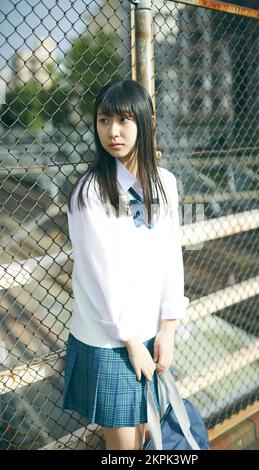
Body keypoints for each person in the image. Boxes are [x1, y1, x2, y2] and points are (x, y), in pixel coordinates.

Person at [63, 79, 189, 450]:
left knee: (148, 438)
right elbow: (99, 275)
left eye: (123, 119)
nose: (112, 131)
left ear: (146, 121)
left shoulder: (165, 183)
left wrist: (168, 328)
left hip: (150, 331)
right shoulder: (92, 192)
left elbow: (171, 255)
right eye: (103, 120)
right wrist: (131, 340)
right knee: (123, 451)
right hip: (111, 339)